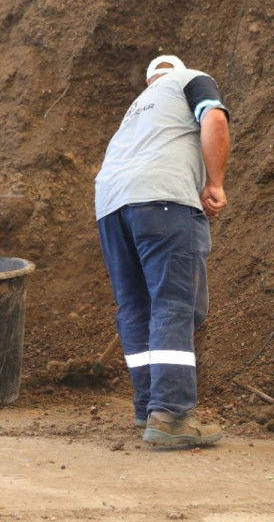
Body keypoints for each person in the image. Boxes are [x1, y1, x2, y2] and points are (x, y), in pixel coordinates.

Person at [93, 54, 230, 448]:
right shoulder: (191, 78)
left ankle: (148, 406)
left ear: (148, 81)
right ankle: (170, 416)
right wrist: (216, 183)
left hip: (111, 206)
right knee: (173, 303)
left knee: (135, 305)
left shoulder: (134, 113)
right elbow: (215, 120)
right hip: (162, 201)